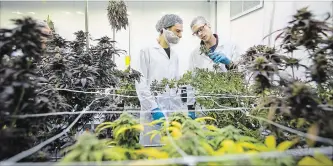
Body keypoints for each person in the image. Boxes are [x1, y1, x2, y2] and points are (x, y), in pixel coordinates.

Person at [134, 14, 187, 146]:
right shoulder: (146, 51)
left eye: (181, 32)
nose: (180, 35)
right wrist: (154, 109)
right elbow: (140, 83)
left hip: (171, 113)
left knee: (170, 151)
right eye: (177, 31)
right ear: (164, 29)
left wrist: (180, 111)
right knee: (152, 152)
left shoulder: (174, 55)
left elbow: (176, 85)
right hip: (152, 113)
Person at [185, 16, 242, 116]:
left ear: (209, 25)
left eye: (201, 29)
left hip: (227, 103)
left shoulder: (231, 46)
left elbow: (242, 75)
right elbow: (191, 82)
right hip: (204, 105)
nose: (200, 34)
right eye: (196, 33)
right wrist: (190, 108)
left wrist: (229, 63)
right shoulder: (194, 54)